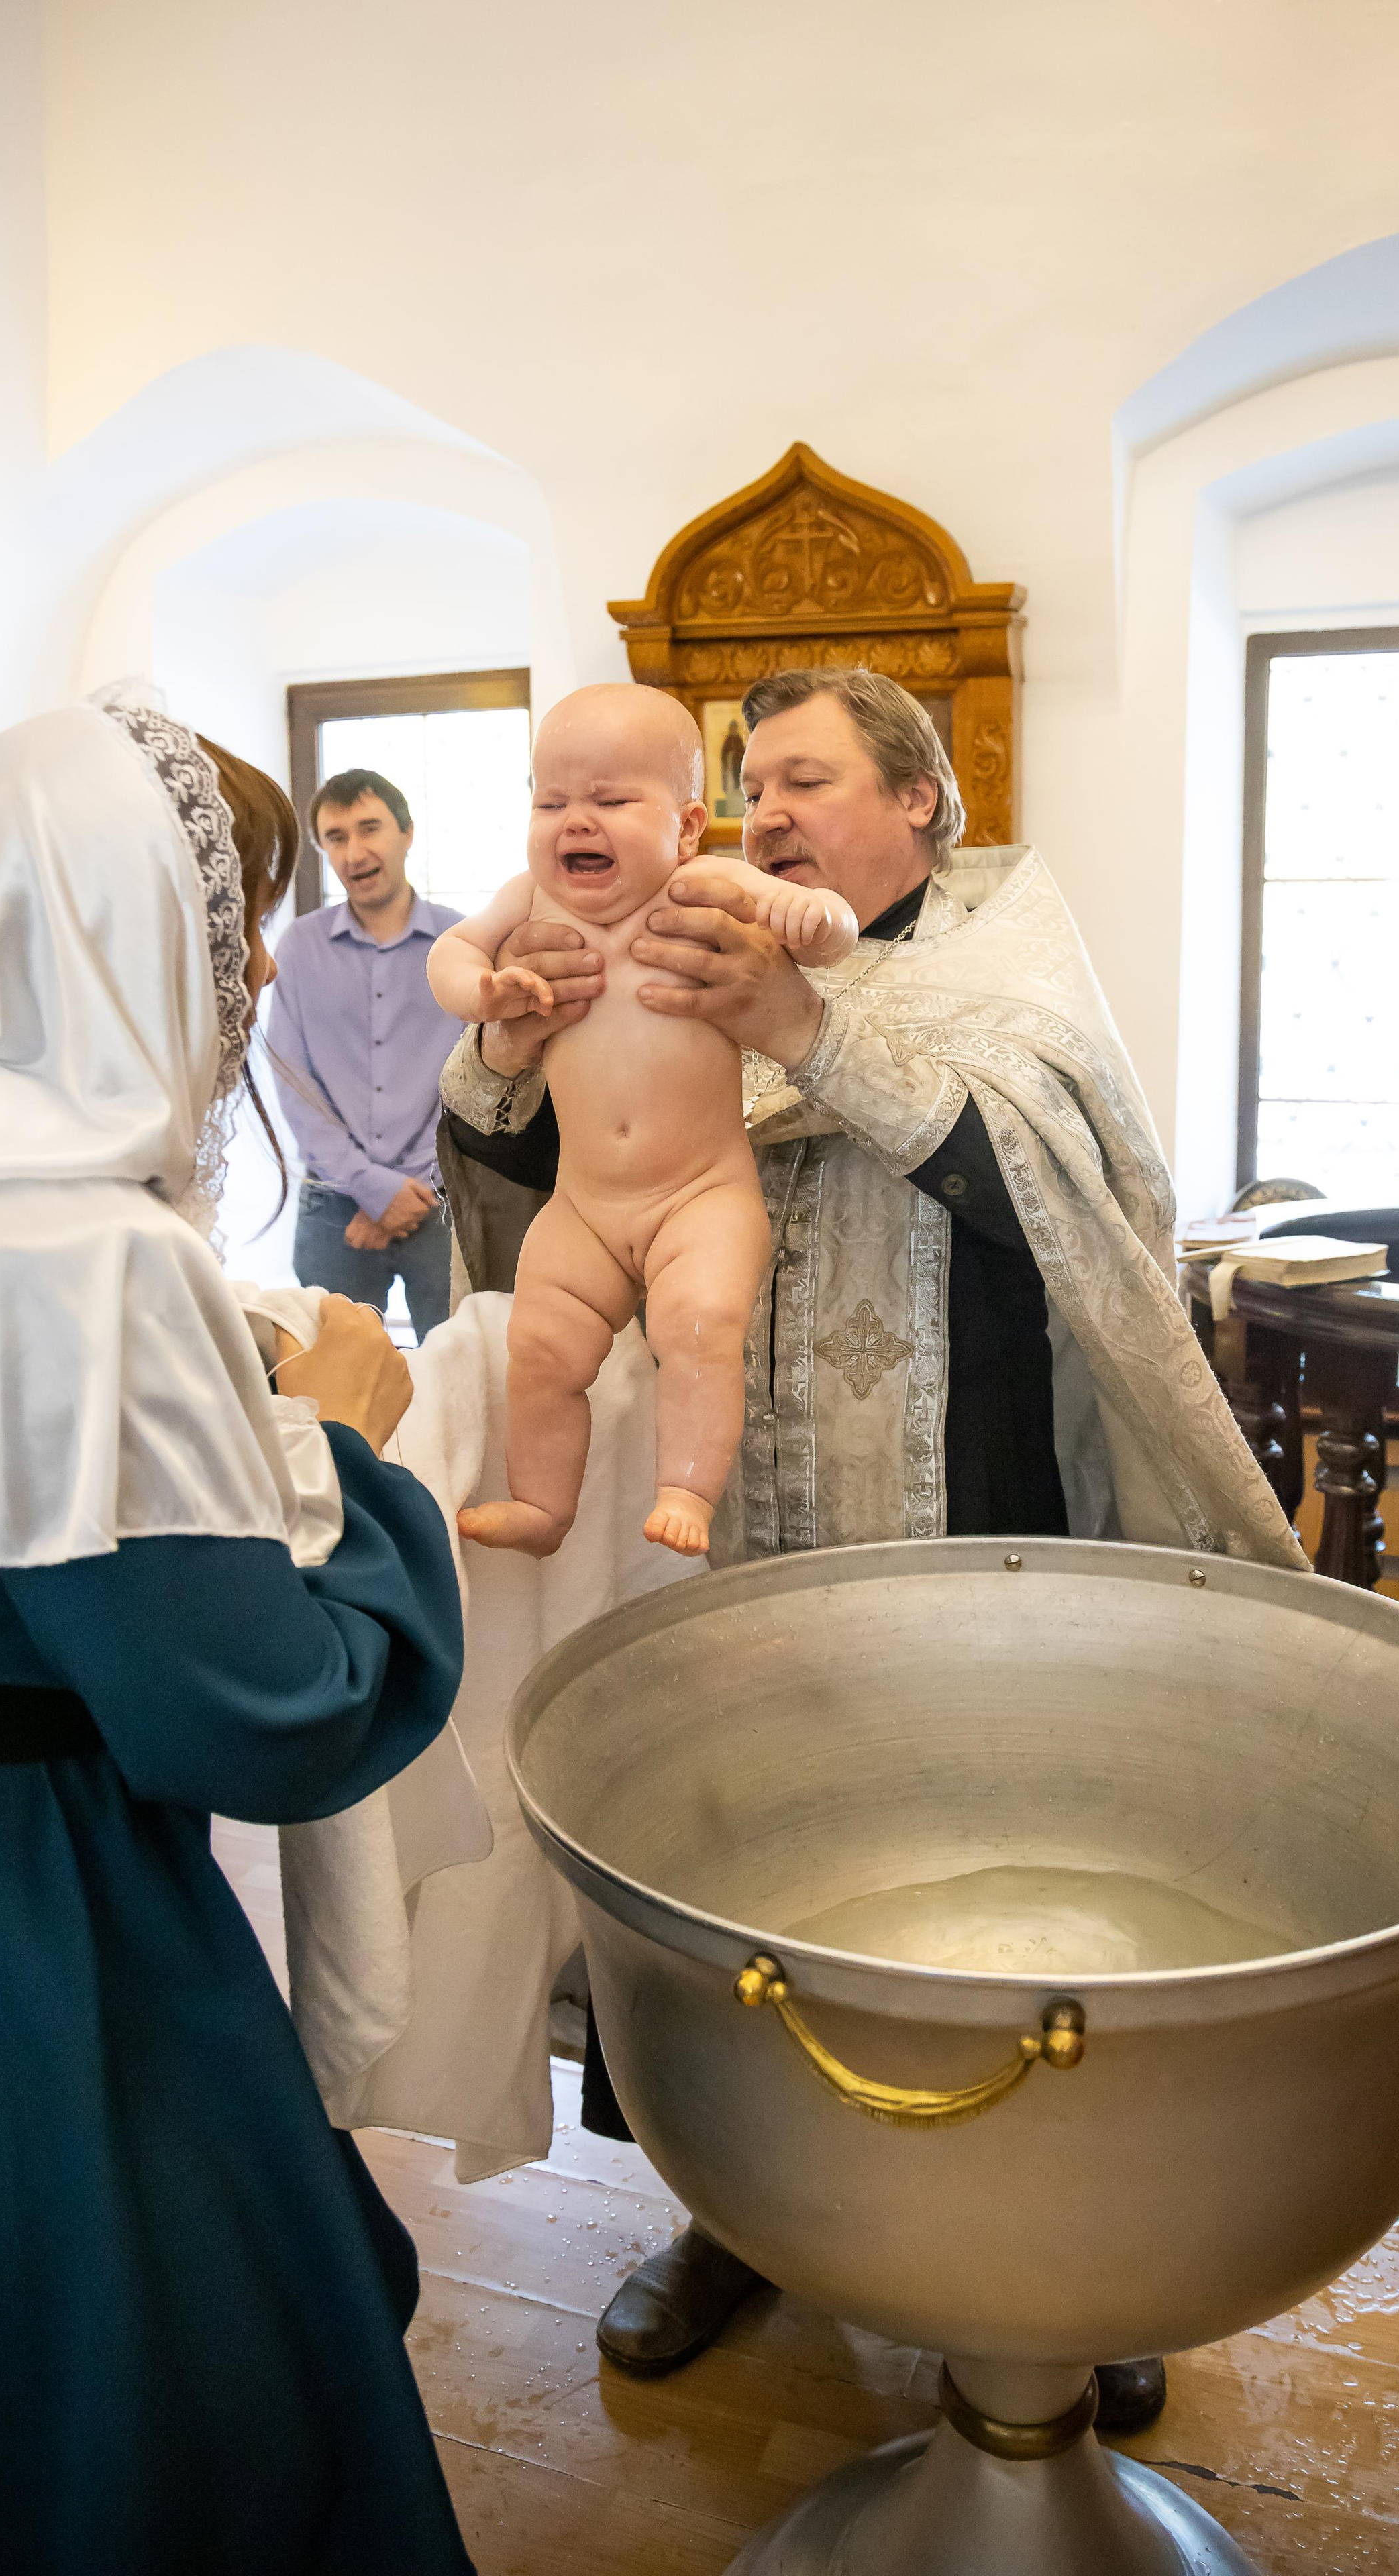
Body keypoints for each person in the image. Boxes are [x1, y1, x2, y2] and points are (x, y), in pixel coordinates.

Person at [437, 667, 1308, 2432]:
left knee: (1009, 1885)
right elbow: (512, 1174)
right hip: (715, 1524)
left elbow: (1074, 1196)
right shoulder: (661, 932)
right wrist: (513, 1038)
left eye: (808, 781)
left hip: (971, 1529)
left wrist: (812, 1026)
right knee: (727, 1870)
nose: (765, 813)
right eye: (747, 785)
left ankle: (1073, 2269)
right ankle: (733, 2213)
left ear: (925, 801)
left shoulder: (1007, 971)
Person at [0, 696, 474, 2573]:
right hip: (25, 1920)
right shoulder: (86, 1251)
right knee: (160, 2393)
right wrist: (345, 1446)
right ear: (144, 929)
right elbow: (254, 1715)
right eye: (233, 924)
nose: (247, 980)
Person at [427, 684, 853, 1558]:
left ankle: (686, 1489)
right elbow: (453, 950)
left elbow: (825, 930)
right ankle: (544, 1507)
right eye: (551, 802)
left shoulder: (707, 887)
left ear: (688, 825)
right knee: (540, 1348)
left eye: (612, 800)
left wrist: (816, 917)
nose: (575, 821)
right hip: (583, 1203)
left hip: (700, 1194)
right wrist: (483, 992)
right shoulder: (529, 906)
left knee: (699, 1325)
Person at [270, 767, 462, 1340]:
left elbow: (476, 1080)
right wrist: (373, 1189)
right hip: (333, 1207)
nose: (355, 851)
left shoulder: (463, 945)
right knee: (332, 1394)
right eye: (336, 837)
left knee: (458, 1386)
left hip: (440, 1199)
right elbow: (292, 1082)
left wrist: (407, 1191)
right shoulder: (299, 948)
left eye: (370, 828)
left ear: (406, 834)